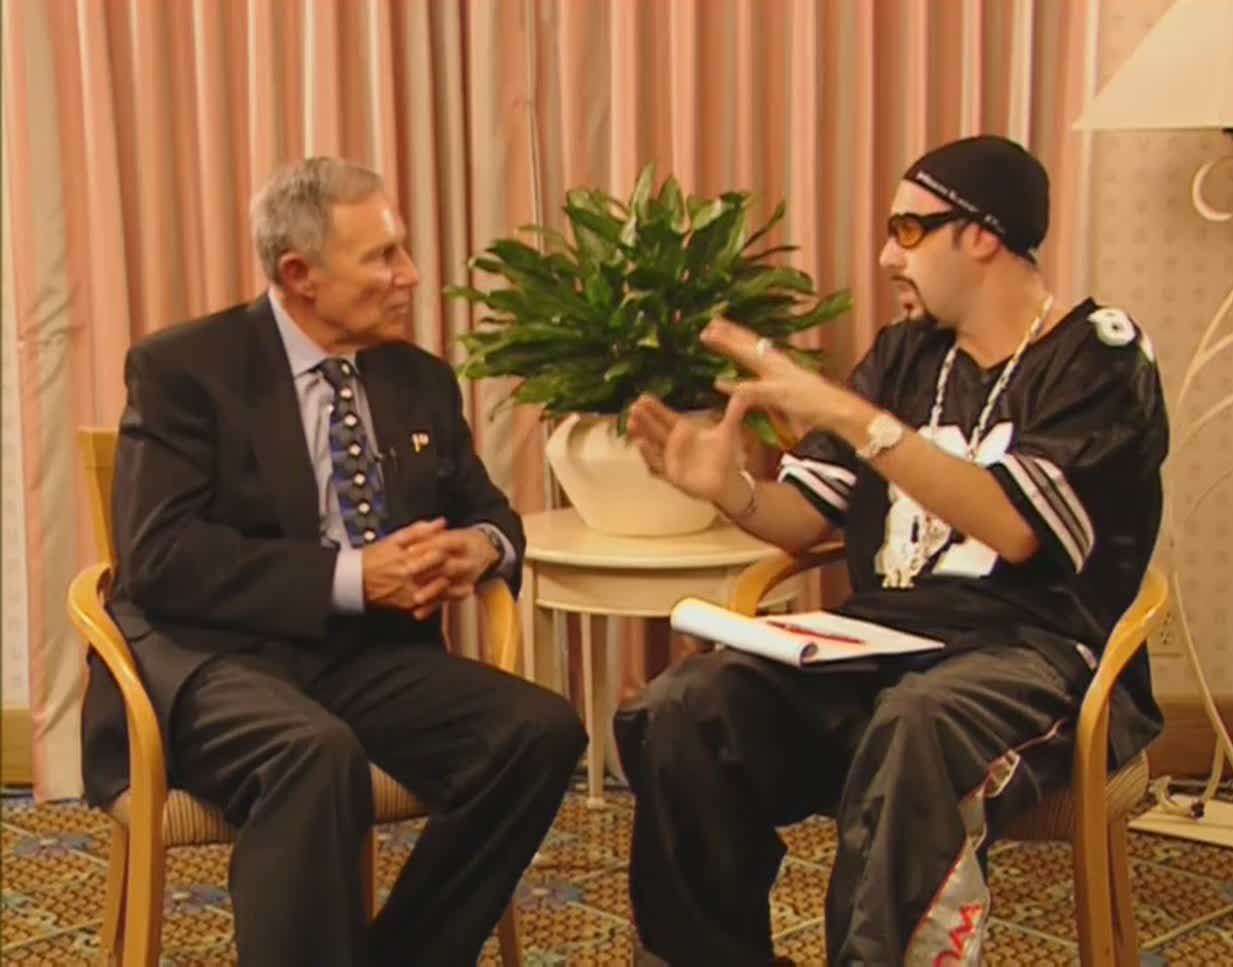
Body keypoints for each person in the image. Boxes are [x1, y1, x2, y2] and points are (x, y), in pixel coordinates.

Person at [616, 135, 1168, 966]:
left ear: (982, 235)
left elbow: (1015, 526)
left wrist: (847, 414)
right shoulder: (908, 354)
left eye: (908, 231)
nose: (886, 257)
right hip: (878, 647)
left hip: (1036, 657)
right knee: (682, 708)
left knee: (916, 724)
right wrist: (728, 488)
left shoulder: (1099, 356)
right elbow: (805, 517)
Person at [80, 157, 587, 967]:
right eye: (383, 256)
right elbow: (160, 556)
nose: (410, 275)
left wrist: (480, 547)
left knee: (539, 732)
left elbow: (490, 512)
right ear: (299, 274)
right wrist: (353, 578)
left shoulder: (418, 379)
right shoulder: (187, 369)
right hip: (212, 660)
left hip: (366, 659)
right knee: (314, 754)